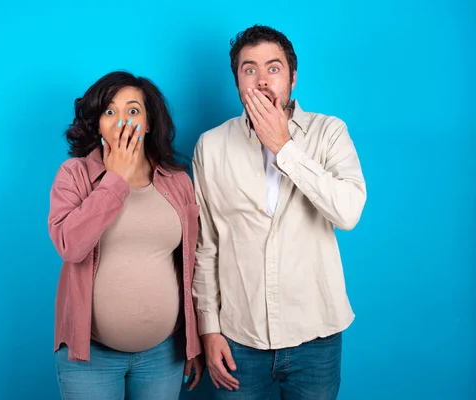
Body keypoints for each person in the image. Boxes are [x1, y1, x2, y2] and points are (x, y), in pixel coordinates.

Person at [192, 25, 367, 399]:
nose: (261, 80)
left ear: (292, 77)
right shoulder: (210, 146)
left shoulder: (330, 132)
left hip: (316, 339)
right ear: (236, 80)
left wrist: (283, 146)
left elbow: (348, 212)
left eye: (273, 68)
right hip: (239, 339)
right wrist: (208, 329)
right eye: (249, 69)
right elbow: (206, 246)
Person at [48, 71, 204, 400]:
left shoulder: (178, 181)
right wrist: (114, 180)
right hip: (91, 357)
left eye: (133, 111)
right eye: (110, 111)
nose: (122, 120)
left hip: (163, 355)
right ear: (98, 123)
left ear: (148, 123)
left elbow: (194, 263)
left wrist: (193, 341)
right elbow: (70, 245)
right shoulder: (74, 175)